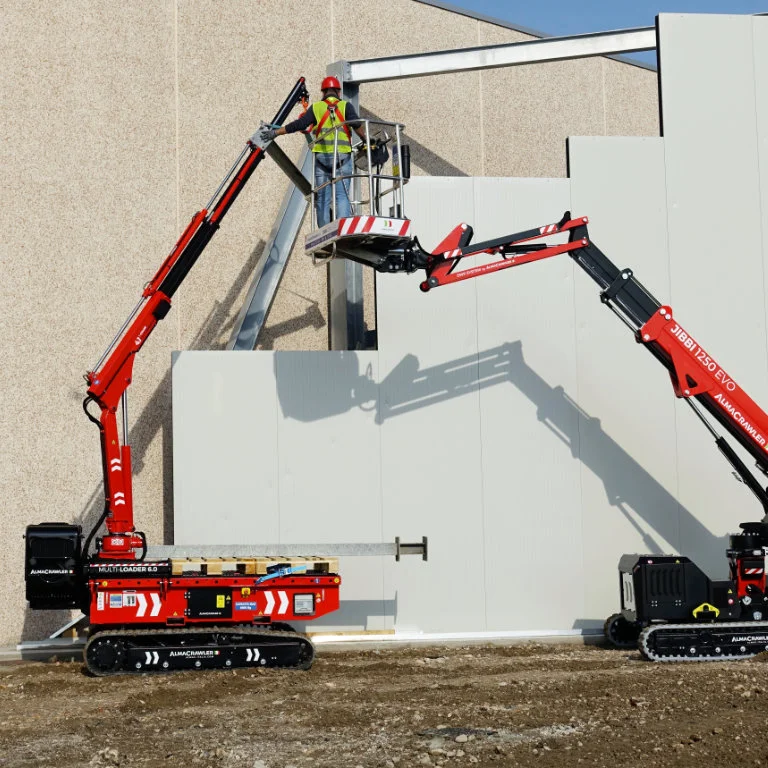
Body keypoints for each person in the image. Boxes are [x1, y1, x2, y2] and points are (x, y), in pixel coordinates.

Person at [260, 76, 367, 227]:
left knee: (323, 197)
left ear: (323, 92)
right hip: (343, 157)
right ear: (338, 91)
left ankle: (324, 232)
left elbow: (300, 124)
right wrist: (367, 140)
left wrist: (275, 133)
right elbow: (356, 125)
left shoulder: (317, 107)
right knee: (342, 196)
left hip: (322, 159)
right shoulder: (345, 106)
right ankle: (343, 228)